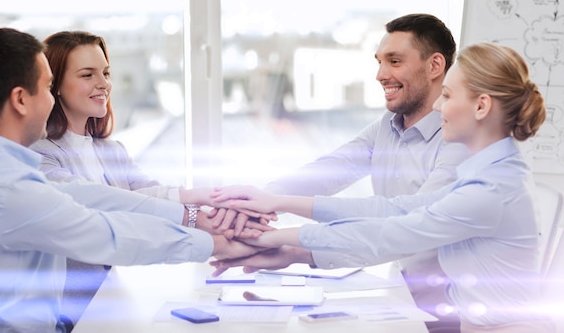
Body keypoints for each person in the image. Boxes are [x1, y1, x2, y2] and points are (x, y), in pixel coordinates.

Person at [211, 42, 554, 332]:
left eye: (447, 95)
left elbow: (392, 233)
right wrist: (281, 204)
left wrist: (271, 239)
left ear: (481, 106)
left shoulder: (491, 189)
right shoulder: (490, 172)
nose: (437, 106)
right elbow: (395, 209)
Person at [0, 28, 261, 333]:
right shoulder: (12, 189)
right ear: (21, 100)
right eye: (48, 88)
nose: (51, 100)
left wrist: (193, 212)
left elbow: (90, 196)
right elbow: (108, 234)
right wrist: (215, 242)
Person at [223, 13, 470, 329]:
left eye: (394, 61)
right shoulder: (388, 127)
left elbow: (405, 229)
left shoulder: (460, 141)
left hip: (453, 314)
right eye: (379, 62)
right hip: (403, 293)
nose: (381, 75)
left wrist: (295, 248)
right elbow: (328, 171)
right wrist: (249, 204)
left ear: (435, 66)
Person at [29, 31, 272, 327]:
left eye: (106, 72)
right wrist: (200, 219)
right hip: (67, 314)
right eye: (87, 75)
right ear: (55, 86)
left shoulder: (110, 151)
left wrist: (213, 206)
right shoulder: (40, 157)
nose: (103, 83)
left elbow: (148, 194)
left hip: (110, 301)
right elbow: (112, 210)